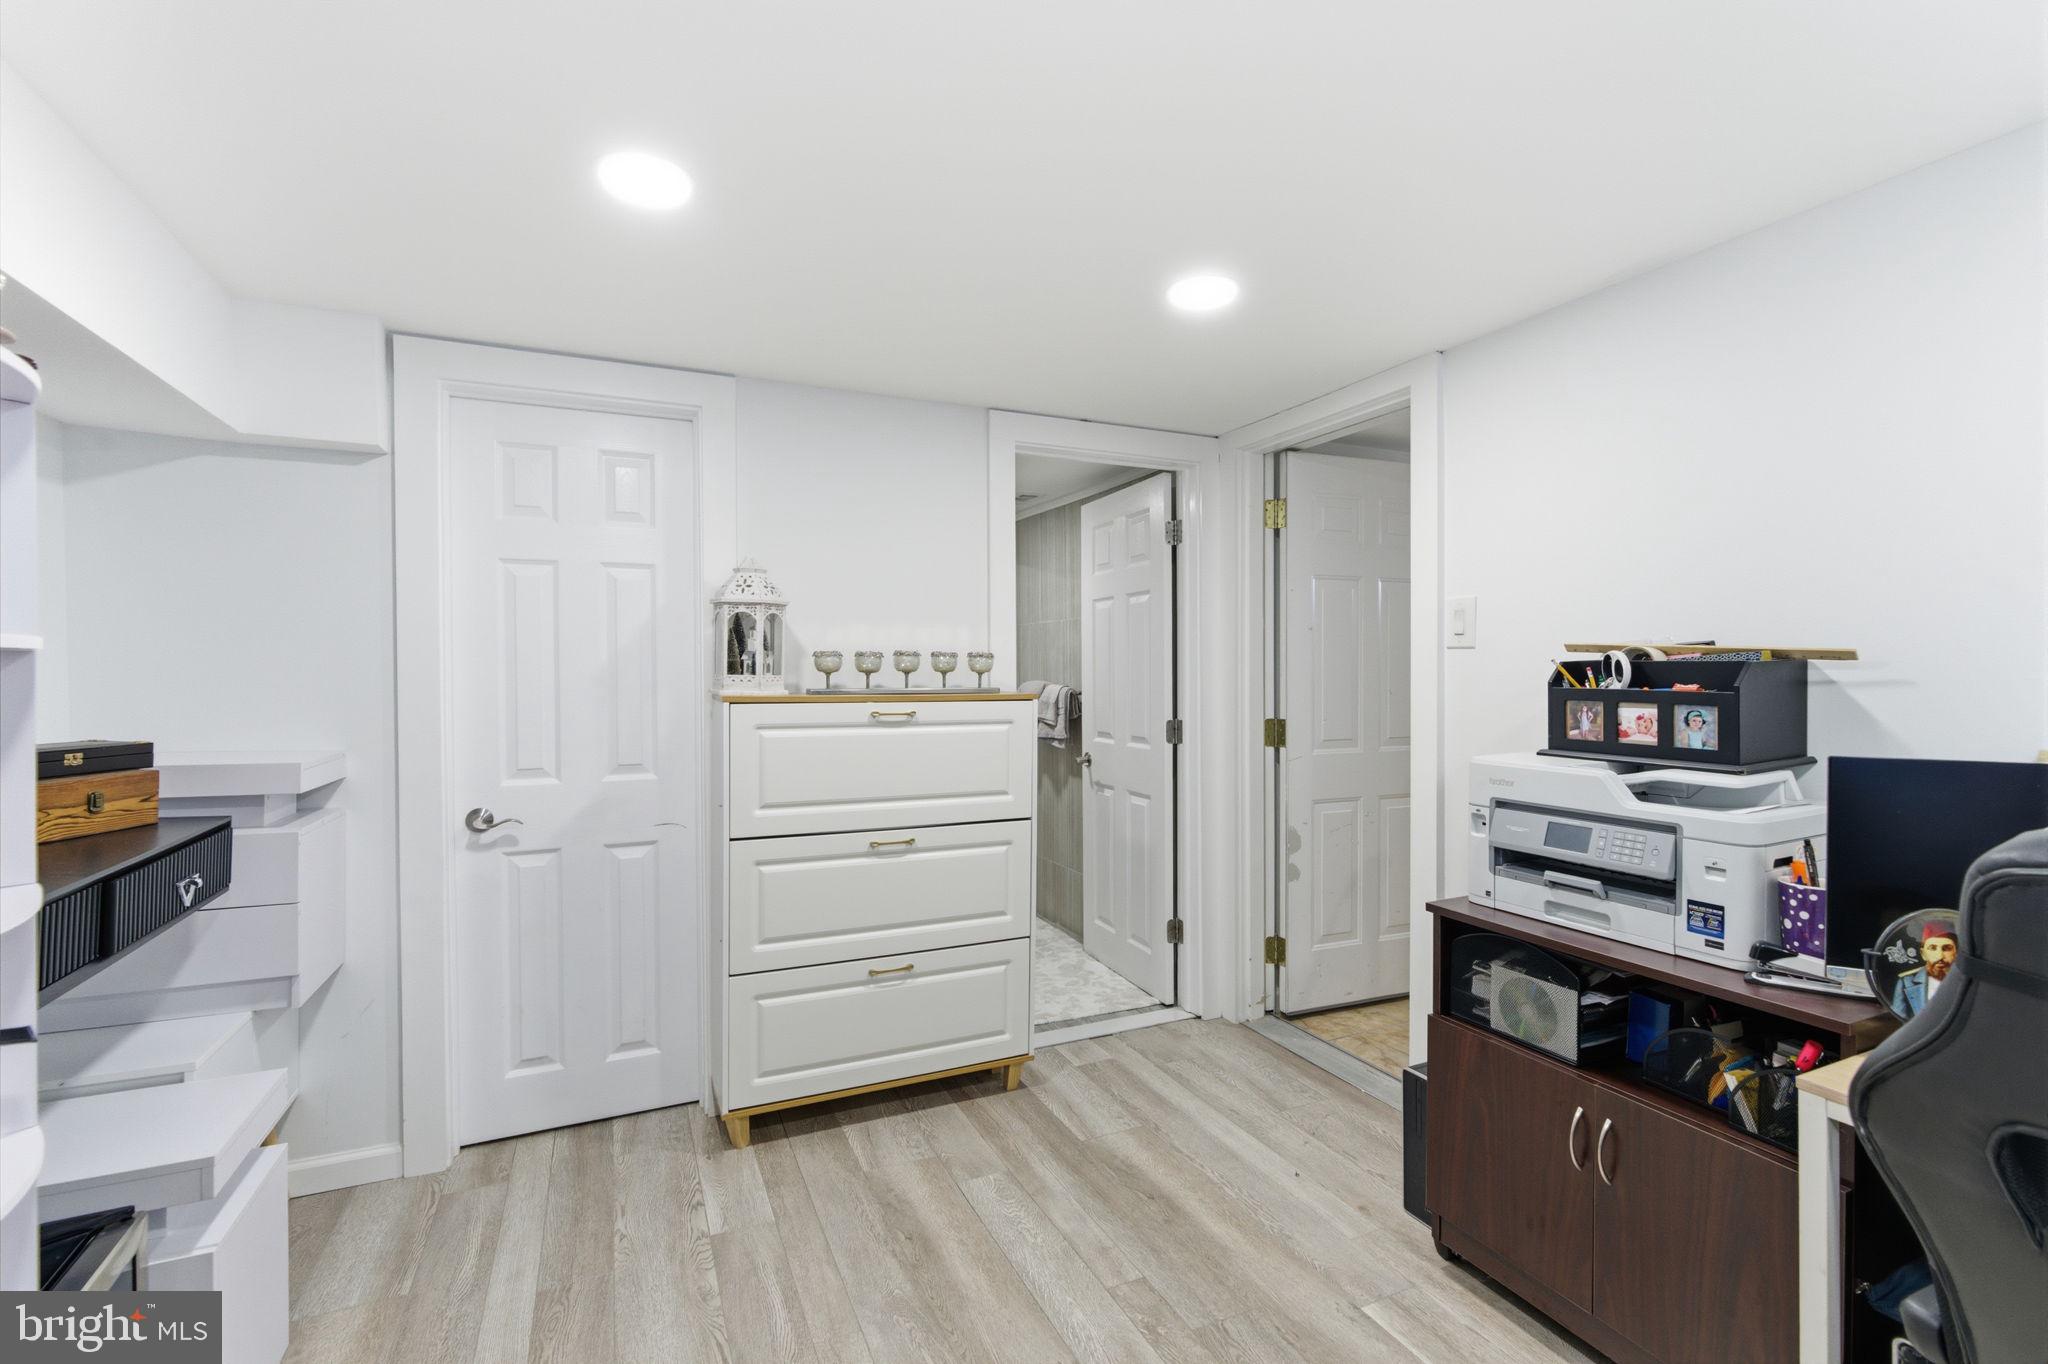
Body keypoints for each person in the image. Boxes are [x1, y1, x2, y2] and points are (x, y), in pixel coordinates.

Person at [1890, 921, 1958, 1017]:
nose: (1940, 956)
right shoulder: (1906, 982)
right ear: (1923, 954)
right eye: (1933, 948)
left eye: (1947, 948)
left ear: (1956, 952)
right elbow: (1897, 1018)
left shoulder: (1968, 981)